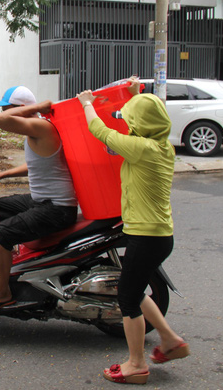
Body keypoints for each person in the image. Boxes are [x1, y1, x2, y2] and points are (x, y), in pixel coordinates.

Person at [77, 77, 189, 385]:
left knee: (126, 298)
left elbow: (99, 131)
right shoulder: (161, 146)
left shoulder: (140, 148)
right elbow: (142, 118)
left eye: (131, 117)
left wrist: (87, 103)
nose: (127, 121)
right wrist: (135, 94)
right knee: (136, 291)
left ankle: (136, 364)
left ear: (140, 124)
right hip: (159, 235)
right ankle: (170, 341)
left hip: (145, 236)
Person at [0, 86, 77, 314]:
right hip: (45, 201)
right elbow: (36, 165)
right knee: (0, 207)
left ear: (20, 109)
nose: (5, 112)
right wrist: (3, 174)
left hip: (56, 208)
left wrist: (37, 107)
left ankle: (2, 293)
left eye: (8, 108)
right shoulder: (35, 131)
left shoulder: (39, 125)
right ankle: (17, 261)